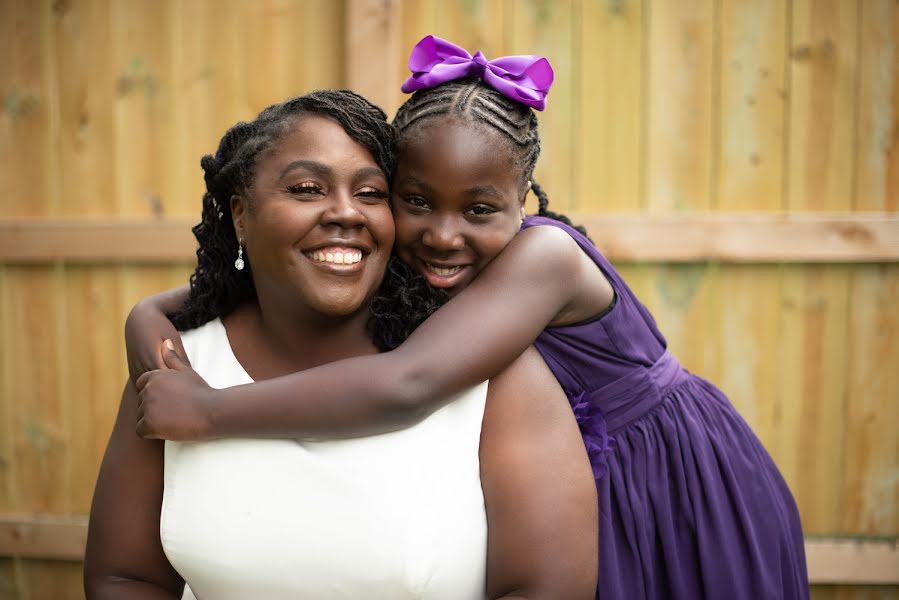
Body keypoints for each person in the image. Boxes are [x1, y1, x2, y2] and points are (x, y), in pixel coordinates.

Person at [127, 36, 810, 599]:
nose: (442, 234)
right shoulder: (413, 260)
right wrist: (144, 318)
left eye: (478, 210)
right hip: (577, 470)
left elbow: (406, 384)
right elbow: (220, 292)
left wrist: (211, 412)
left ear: (523, 200)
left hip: (666, 479)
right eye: (415, 201)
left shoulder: (544, 257)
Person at [83, 89, 598, 600]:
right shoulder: (175, 365)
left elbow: (547, 587)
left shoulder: (484, 369)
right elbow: (125, 578)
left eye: (371, 193)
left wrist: (211, 411)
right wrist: (144, 313)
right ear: (240, 214)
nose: (346, 213)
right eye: (308, 188)